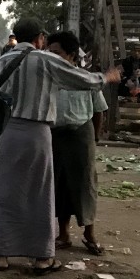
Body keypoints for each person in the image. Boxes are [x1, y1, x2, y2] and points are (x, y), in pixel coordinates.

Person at [0, 17, 120, 274]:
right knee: (40, 194)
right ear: (40, 39)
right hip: (37, 133)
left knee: (6, 193)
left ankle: (2, 255)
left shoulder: (0, 62)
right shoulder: (45, 59)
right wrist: (106, 77)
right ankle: (42, 257)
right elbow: (82, 79)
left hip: (8, 133)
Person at [47, 31, 108, 256]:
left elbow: (99, 110)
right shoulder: (49, 79)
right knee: (59, 183)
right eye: (49, 53)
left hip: (81, 133)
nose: (52, 58)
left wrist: (95, 136)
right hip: (54, 134)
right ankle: (63, 234)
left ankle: (89, 233)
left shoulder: (84, 77)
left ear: (71, 55)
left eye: (57, 53)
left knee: (84, 183)